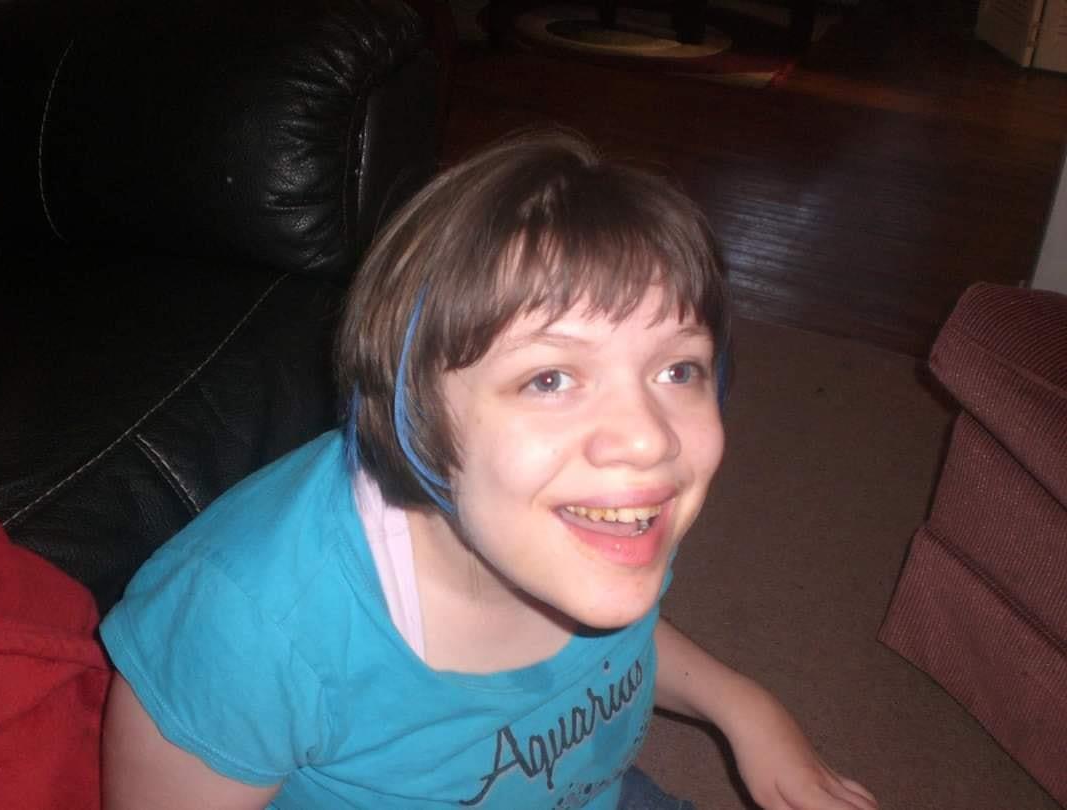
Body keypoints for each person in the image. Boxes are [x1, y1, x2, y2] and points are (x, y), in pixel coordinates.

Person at [99, 129, 878, 810]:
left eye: (678, 370)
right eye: (550, 378)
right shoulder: (244, 633)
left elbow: (626, 638)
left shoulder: (602, 514)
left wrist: (744, 707)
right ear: (411, 414)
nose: (649, 440)